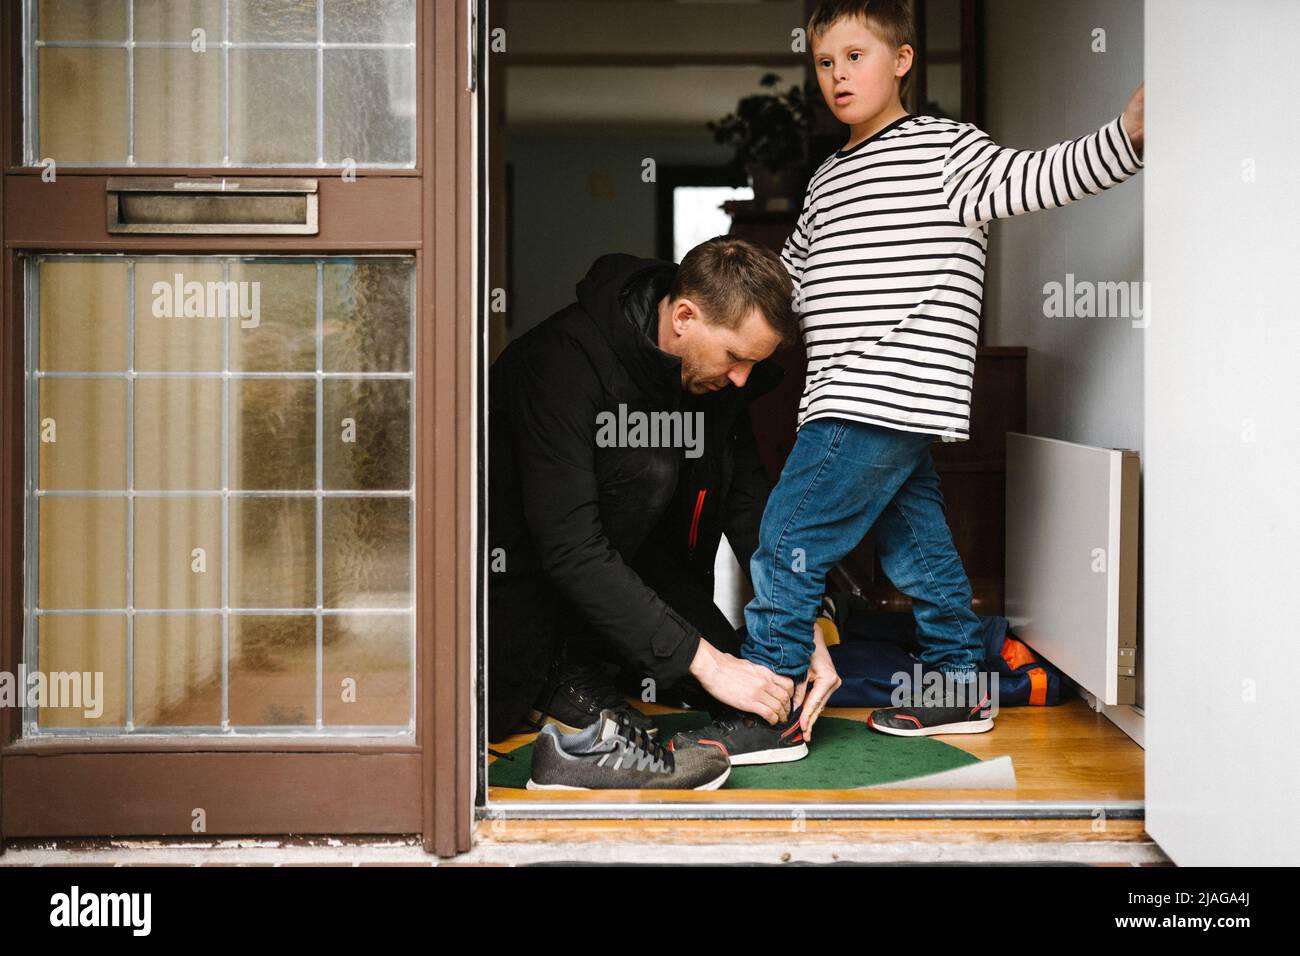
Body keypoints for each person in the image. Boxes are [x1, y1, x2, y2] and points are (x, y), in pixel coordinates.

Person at [672, 0, 1145, 764]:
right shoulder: (827, 180)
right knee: (919, 552)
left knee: (787, 542)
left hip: (878, 395)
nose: (837, 76)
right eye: (825, 62)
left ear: (901, 61)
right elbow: (789, 284)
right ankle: (959, 686)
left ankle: (774, 705)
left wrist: (1124, 139)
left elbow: (1038, 177)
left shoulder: (946, 149)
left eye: (855, 57)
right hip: (850, 396)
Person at [487, 237, 808, 743]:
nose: (744, 379)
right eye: (735, 357)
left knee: (764, 693)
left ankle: (637, 658)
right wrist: (705, 663)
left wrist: (801, 624)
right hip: (522, 590)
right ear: (684, 316)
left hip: (641, 566)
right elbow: (570, 546)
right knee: (650, 469)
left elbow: (750, 508)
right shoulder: (560, 363)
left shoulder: (711, 379)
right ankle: (560, 672)